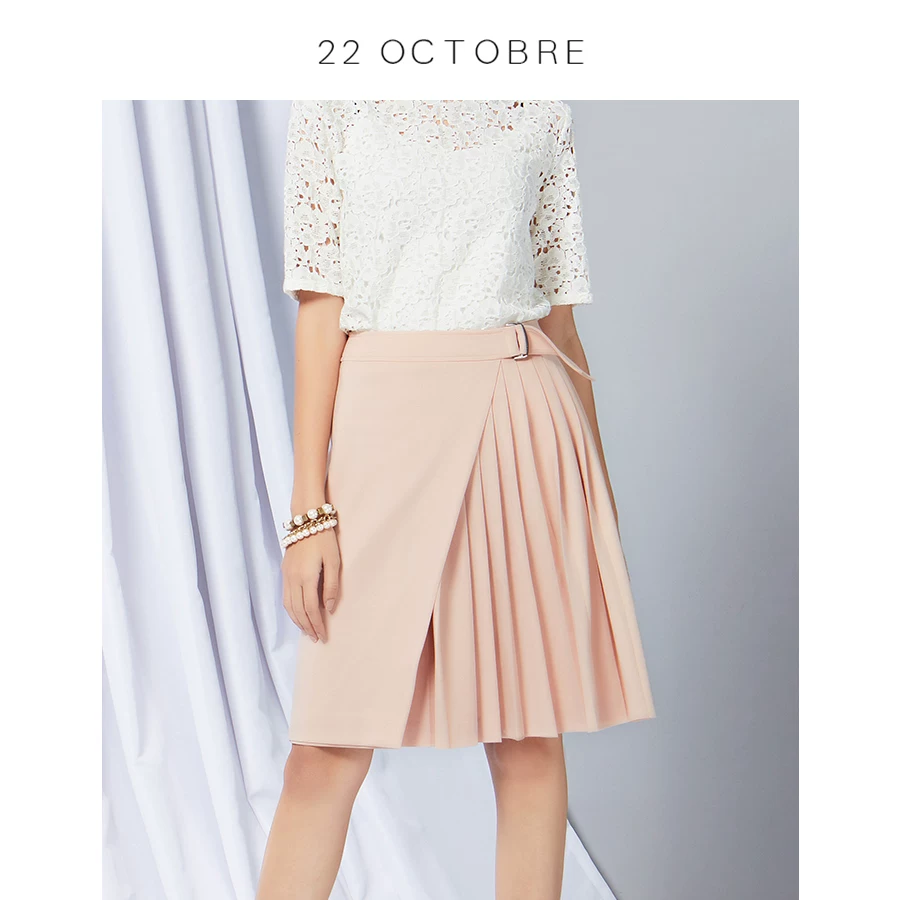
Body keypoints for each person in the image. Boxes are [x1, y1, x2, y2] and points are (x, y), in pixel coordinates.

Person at [255, 100, 656, 900]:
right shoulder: (335, 104)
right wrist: (308, 512)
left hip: (520, 414)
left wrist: (598, 495)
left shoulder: (536, 106)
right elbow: (321, 310)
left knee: (529, 738)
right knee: (326, 749)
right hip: (383, 424)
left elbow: (561, 325)